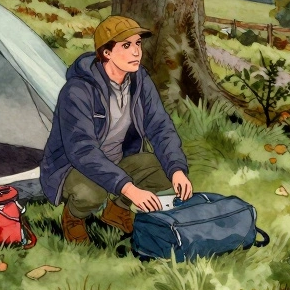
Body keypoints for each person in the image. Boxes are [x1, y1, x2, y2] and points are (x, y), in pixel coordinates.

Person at [39, 15, 193, 243]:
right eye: (126, 45)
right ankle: (73, 217)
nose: (136, 52)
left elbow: (160, 126)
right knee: (92, 193)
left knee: (167, 171)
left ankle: (117, 211)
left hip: (119, 159)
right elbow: (82, 151)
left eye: (138, 44)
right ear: (106, 53)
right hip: (73, 167)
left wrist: (177, 169)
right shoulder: (77, 90)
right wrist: (129, 189)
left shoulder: (139, 80)